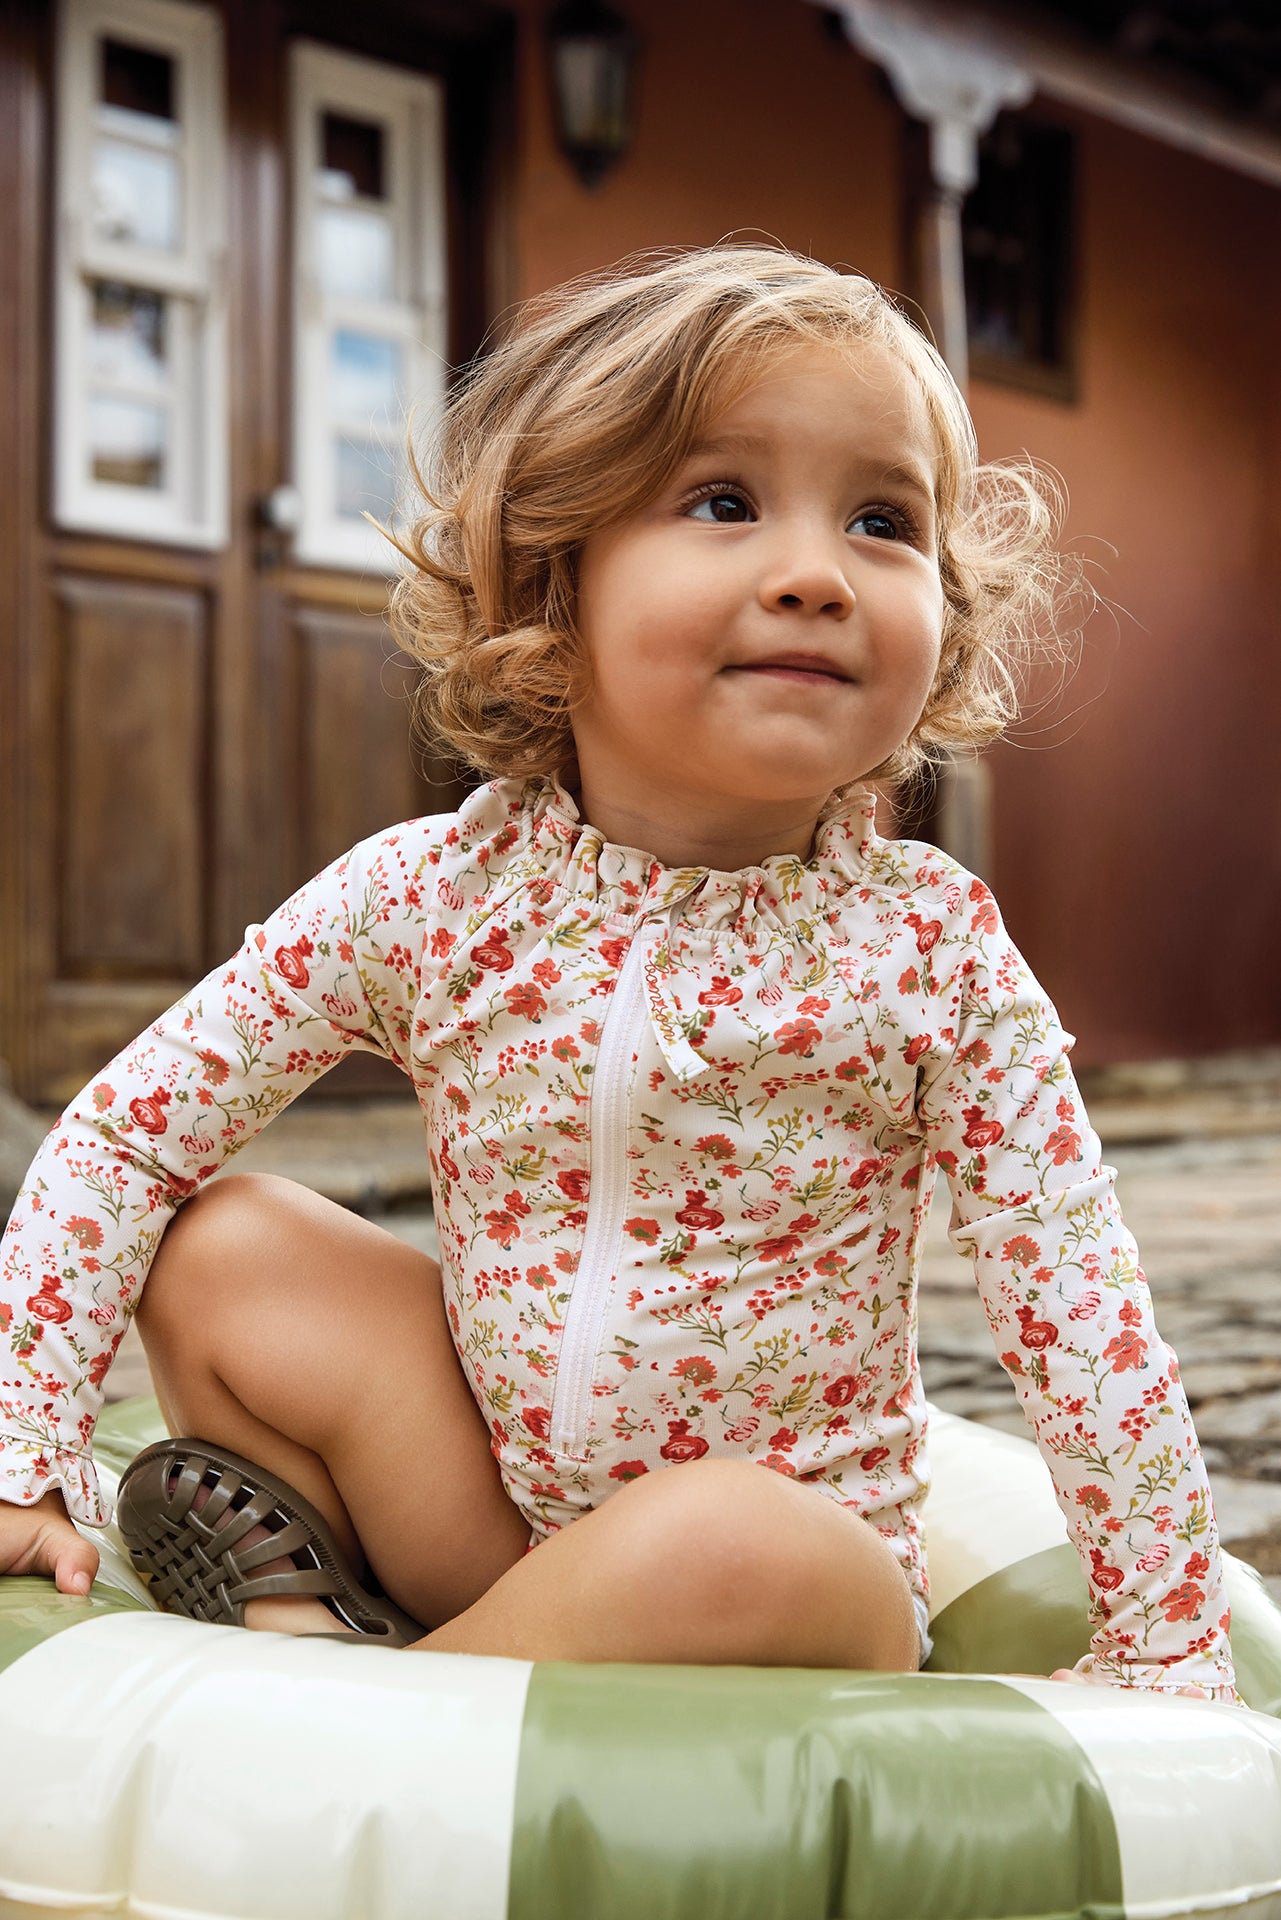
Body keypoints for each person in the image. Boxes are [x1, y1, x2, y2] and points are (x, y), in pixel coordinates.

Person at [0, 246, 1234, 1698]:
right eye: (723, 502)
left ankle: (364, 1691)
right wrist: (22, 1448)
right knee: (227, 1243)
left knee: (727, 1539)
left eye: (881, 522)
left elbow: (1079, 1306)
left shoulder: (927, 953)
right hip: (487, 1521)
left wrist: (1166, 1645)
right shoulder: (432, 896)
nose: (812, 575)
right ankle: (391, 1608)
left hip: (776, 1584)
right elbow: (132, 1132)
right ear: (550, 585)